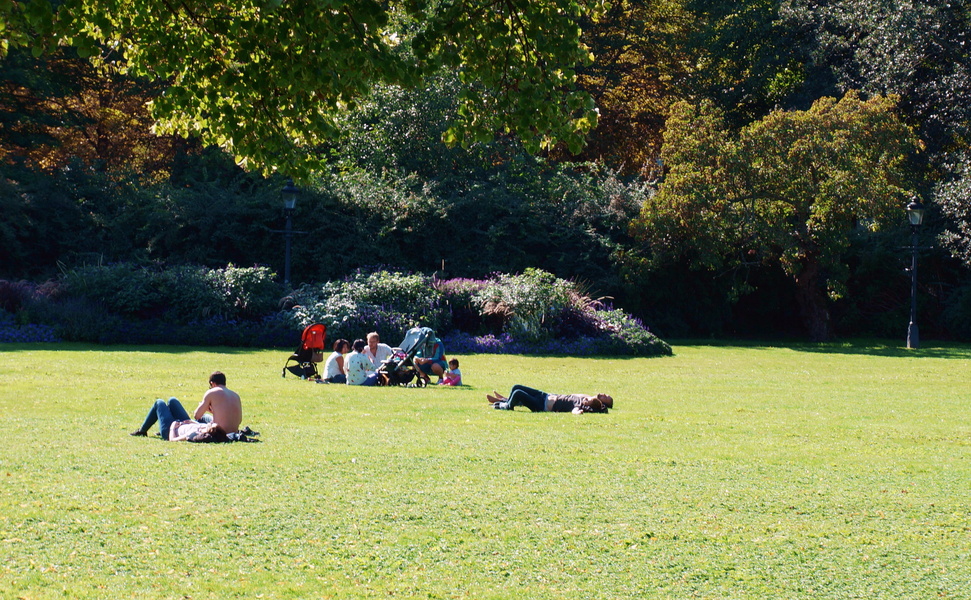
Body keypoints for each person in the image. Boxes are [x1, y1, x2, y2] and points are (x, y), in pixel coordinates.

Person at [129, 397, 228, 442]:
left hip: (171, 429)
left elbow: (172, 439)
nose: (210, 424)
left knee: (159, 403)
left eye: (211, 425)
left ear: (209, 431)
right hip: (184, 422)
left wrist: (173, 426)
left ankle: (142, 431)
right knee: (173, 400)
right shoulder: (205, 427)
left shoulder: (194, 433)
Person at [487, 385, 613, 414]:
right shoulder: (584, 397)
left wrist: (578, 412)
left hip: (542, 405)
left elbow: (575, 411)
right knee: (516, 387)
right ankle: (506, 400)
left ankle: (506, 405)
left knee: (518, 393)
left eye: (606, 397)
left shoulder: (579, 405)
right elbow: (592, 398)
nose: (603, 394)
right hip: (545, 395)